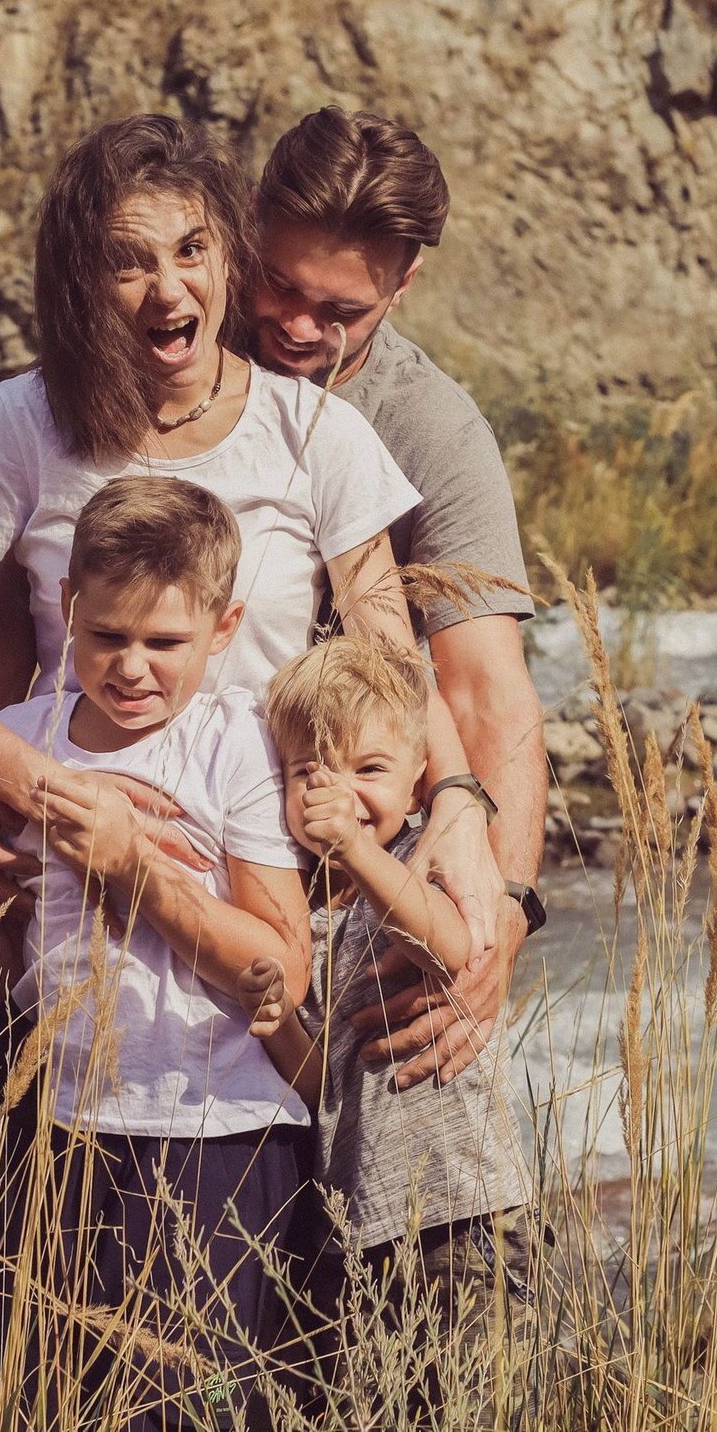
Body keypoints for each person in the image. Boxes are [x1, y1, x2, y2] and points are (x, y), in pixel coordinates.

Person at [0, 113, 506, 939]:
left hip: (264, 888)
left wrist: (455, 797)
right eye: (127, 264)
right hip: (71, 888)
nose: (169, 289)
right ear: (81, 281)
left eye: (190, 251)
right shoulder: (25, 419)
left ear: (227, 251)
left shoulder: (317, 430)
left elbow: (391, 664)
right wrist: (41, 794)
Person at [0, 477, 312, 1429]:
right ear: (67, 611)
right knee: (65, 1397)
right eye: (107, 637)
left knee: (197, 1405)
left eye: (165, 642)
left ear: (224, 627)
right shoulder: (18, 742)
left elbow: (280, 967)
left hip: (216, 1134)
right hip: (58, 1129)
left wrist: (135, 872)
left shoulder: (237, 745)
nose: (132, 666)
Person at [247, 107, 551, 1093]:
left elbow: (485, 689)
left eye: (340, 314)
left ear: (405, 282)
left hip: (342, 845)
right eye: (279, 286)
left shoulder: (432, 430)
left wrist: (499, 915)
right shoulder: (169, 347)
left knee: (433, 1016)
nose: (298, 327)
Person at [239, 636, 534, 1406]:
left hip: (462, 1219)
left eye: (368, 770)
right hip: (355, 1226)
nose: (339, 792)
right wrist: (276, 1022)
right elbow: (320, 1087)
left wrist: (358, 852)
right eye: (310, 773)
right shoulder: (294, 908)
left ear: (417, 784)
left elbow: (448, 944)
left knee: (468, 1408)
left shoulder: (424, 859)